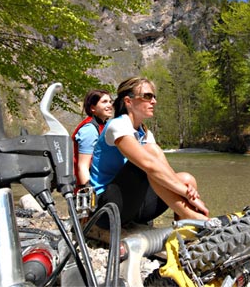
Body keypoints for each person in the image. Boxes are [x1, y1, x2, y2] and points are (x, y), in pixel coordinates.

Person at [90, 77, 209, 226]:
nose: (154, 101)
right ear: (129, 102)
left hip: (135, 206)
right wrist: (187, 194)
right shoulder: (117, 126)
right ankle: (192, 216)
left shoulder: (145, 133)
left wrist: (186, 188)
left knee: (187, 179)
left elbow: (163, 171)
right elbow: (149, 164)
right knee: (151, 153)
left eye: (154, 96)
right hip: (107, 209)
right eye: (147, 96)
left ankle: (186, 229)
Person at [72, 89, 113, 188]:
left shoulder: (103, 125)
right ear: (92, 108)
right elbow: (83, 166)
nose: (110, 105)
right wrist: (88, 194)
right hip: (90, 188)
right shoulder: (89, 129)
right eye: (104, 102)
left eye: (110, 101)